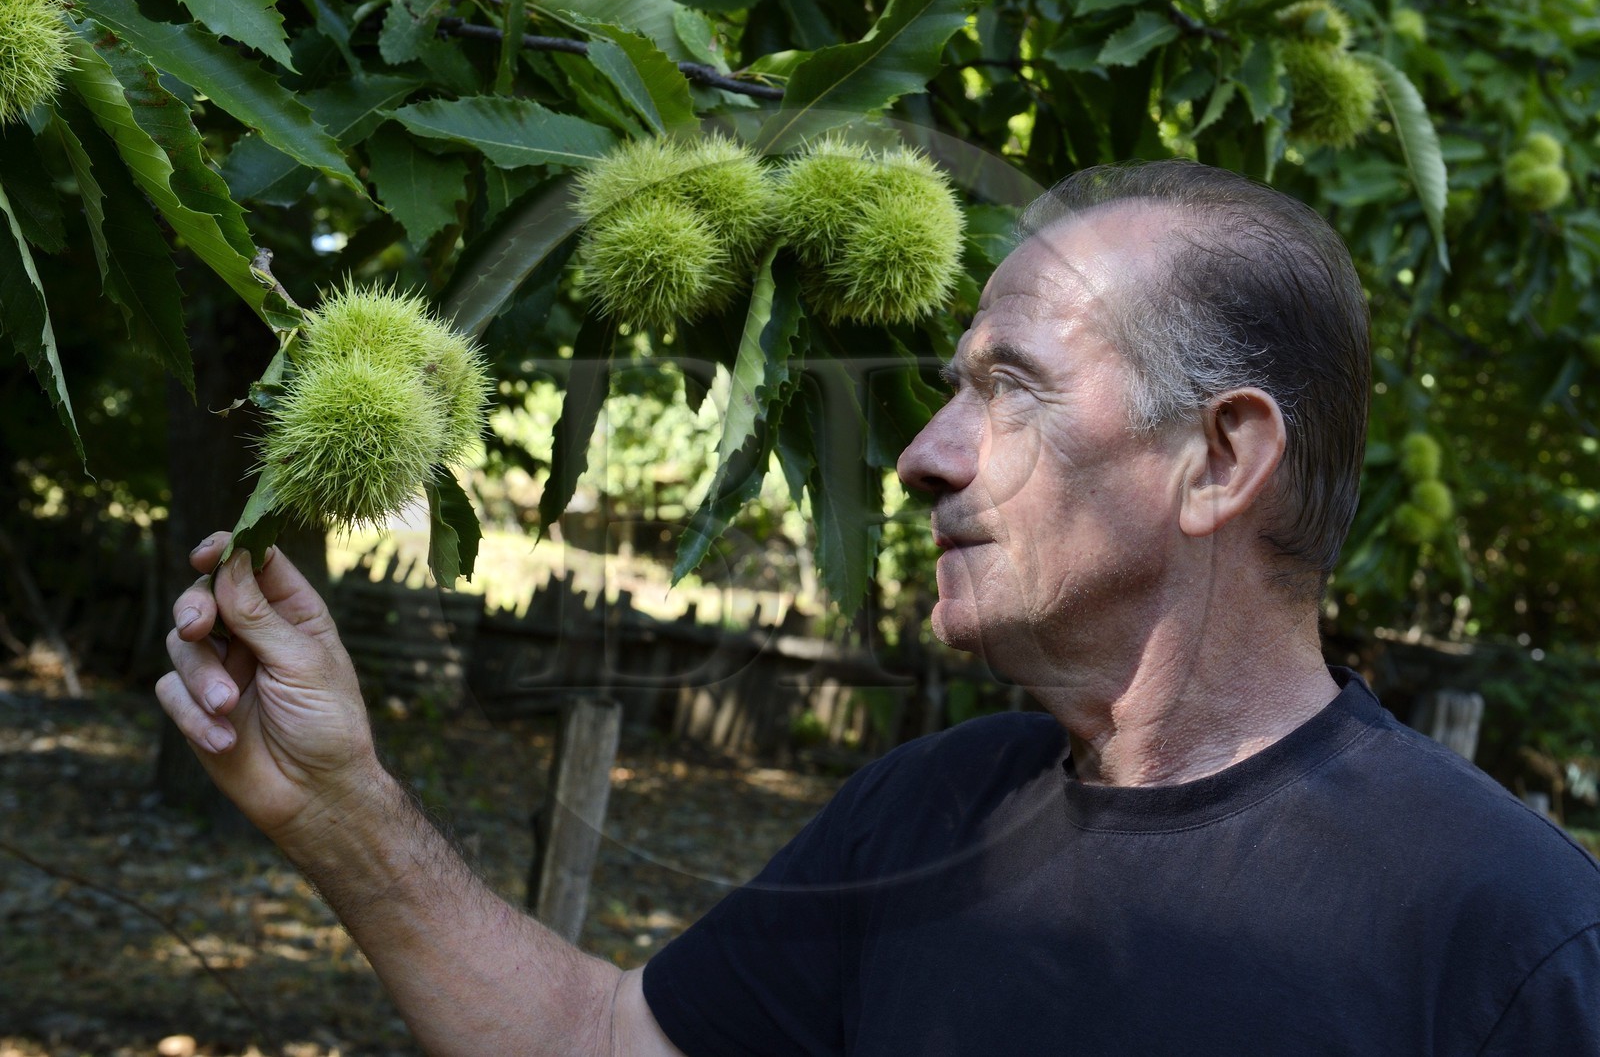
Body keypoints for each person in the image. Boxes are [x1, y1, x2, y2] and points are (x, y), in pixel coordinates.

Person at [160, 161, 1600, 1055]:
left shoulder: (1510, 938)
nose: (922, 454)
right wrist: (337, 803)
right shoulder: (927, 816)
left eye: (1007, 390)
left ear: (1218, 457)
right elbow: (609, 1044)